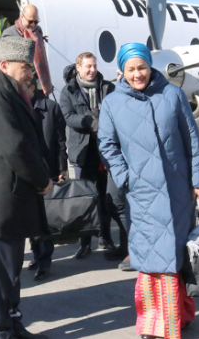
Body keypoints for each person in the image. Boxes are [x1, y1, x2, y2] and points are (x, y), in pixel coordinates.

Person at [98, 43, 199, 339]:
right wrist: (125, 177)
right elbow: (107, 145)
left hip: (178, 191)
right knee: (150, 259)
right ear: (122, 71)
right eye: (131, 69)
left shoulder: (171, 94)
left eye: (142, 68)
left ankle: (180, 315)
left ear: (150, 66)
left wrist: (198, 180)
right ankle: (155, 324)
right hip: (142, 193)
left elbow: (192, 139)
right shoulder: (112, 103)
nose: (138, 74)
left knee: (177, 255)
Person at [0, 36, 53, 339]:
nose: (31, 72)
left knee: (11, 274)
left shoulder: (7, 92)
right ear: (4, 65)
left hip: (11, 202)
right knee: (0, 277)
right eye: (25, 67)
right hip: (0, 206)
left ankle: (12, 326)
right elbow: (14, 146)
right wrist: (42, 180)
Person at [59, 52, 117, 259]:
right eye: (88, 67)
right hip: (83, 153)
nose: (92, 70)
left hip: (105, 152)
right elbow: (68, 117)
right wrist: (91, 122)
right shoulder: (68, 91)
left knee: (105, 197)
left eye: (94, 66)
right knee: (85, 199)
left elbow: (116, 112)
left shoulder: (108, 88)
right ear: (78, 68)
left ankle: (105, 237)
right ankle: (85, 243)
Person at [25, 78, 68, 280]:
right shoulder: (19, 106)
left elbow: (60, 141)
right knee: (31, 218)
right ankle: (36, 253)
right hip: (27, 170)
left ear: (32, 88)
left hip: (48, 169)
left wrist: (61, 168)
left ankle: (45, 261)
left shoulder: (51, 108)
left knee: (46, 218)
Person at [2, 4, 53, 95]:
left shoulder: (37, 30)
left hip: (38, 81)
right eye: (30, 22)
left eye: (36, 22)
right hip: (21, 82)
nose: (33, 25)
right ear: (22, 17)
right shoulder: (9, 33)